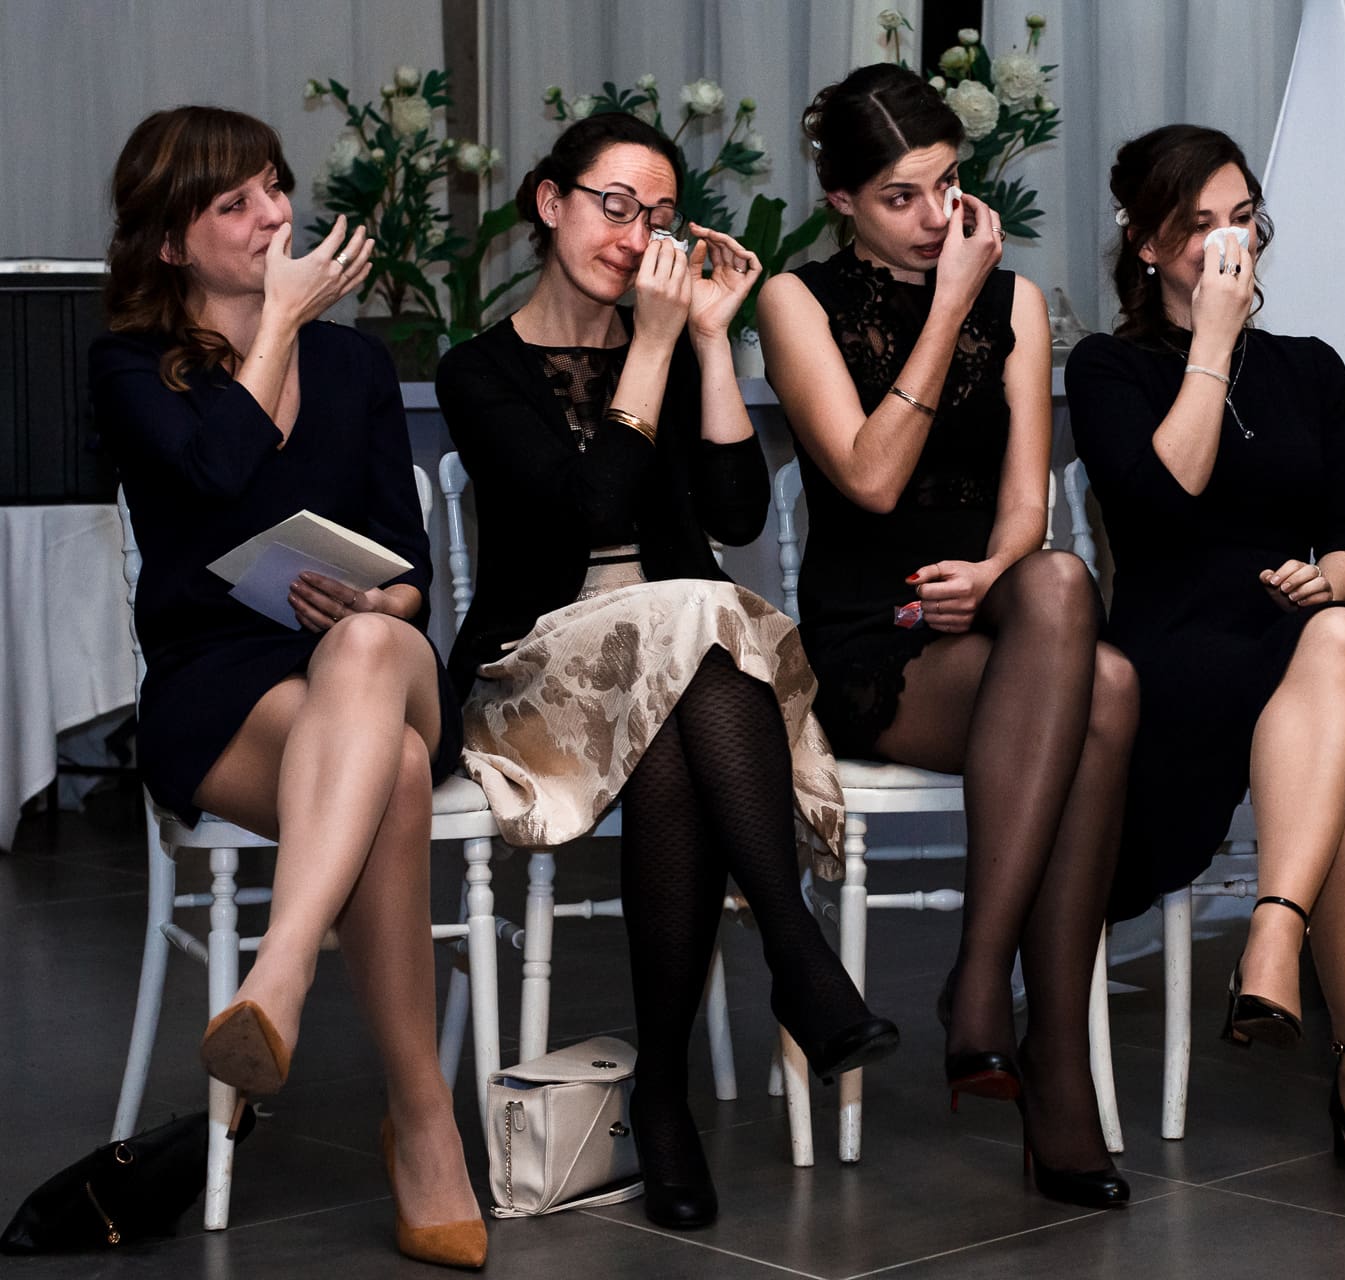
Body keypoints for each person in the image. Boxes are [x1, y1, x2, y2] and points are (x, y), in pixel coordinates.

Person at [438, 111, 896, 1232]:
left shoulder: (678, 346)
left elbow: (738, 515)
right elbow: (591, 510)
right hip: (535, 676)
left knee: (692, 669)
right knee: (702, 623)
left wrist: (704, 343)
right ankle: (796, 951)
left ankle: (664, 1093)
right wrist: (651, 339)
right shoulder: (479, 370)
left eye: (657, 215)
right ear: (550, 203)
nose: (635, 232)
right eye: (614, 205)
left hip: (680, 680)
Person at [90, 106, 485, 1267]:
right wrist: (278, 326)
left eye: (275, 188)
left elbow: (410, 574)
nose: (276, 219)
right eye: (236, 205)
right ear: (171, 243)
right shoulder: (129, 365)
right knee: (395, 779)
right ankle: (423, 1126)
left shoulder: (355, 362)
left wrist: (374, 606)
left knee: (365, 655)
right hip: (223, 682)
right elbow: (215, 467)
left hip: (382, 660)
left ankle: (282, 966)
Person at [756, 64, 1136, 1209]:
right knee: (1107, 693)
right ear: (842, 203)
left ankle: (988, 989)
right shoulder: (793, 300)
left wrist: (995, 571)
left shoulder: (1016, 302)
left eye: (949, 187)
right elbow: (870, 479)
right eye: (902, 198)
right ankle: (1040, 1051)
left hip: (1003, 612)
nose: (936, 219)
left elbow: (1027, 498)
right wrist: (948, 309)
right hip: (877, 639)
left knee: (1062, 580)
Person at [1066, 124, 1345, 1196]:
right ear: (1146, 245)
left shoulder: (1312, 368)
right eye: (1197, 225)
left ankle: (1273, 936)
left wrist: (1329, 578)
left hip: (1308, 627)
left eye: (1241, 218)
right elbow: (1159, 499)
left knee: (1338, 629)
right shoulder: (1107, 367)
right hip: (1179, 647)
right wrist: (1212, 344)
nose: (1228, 243)